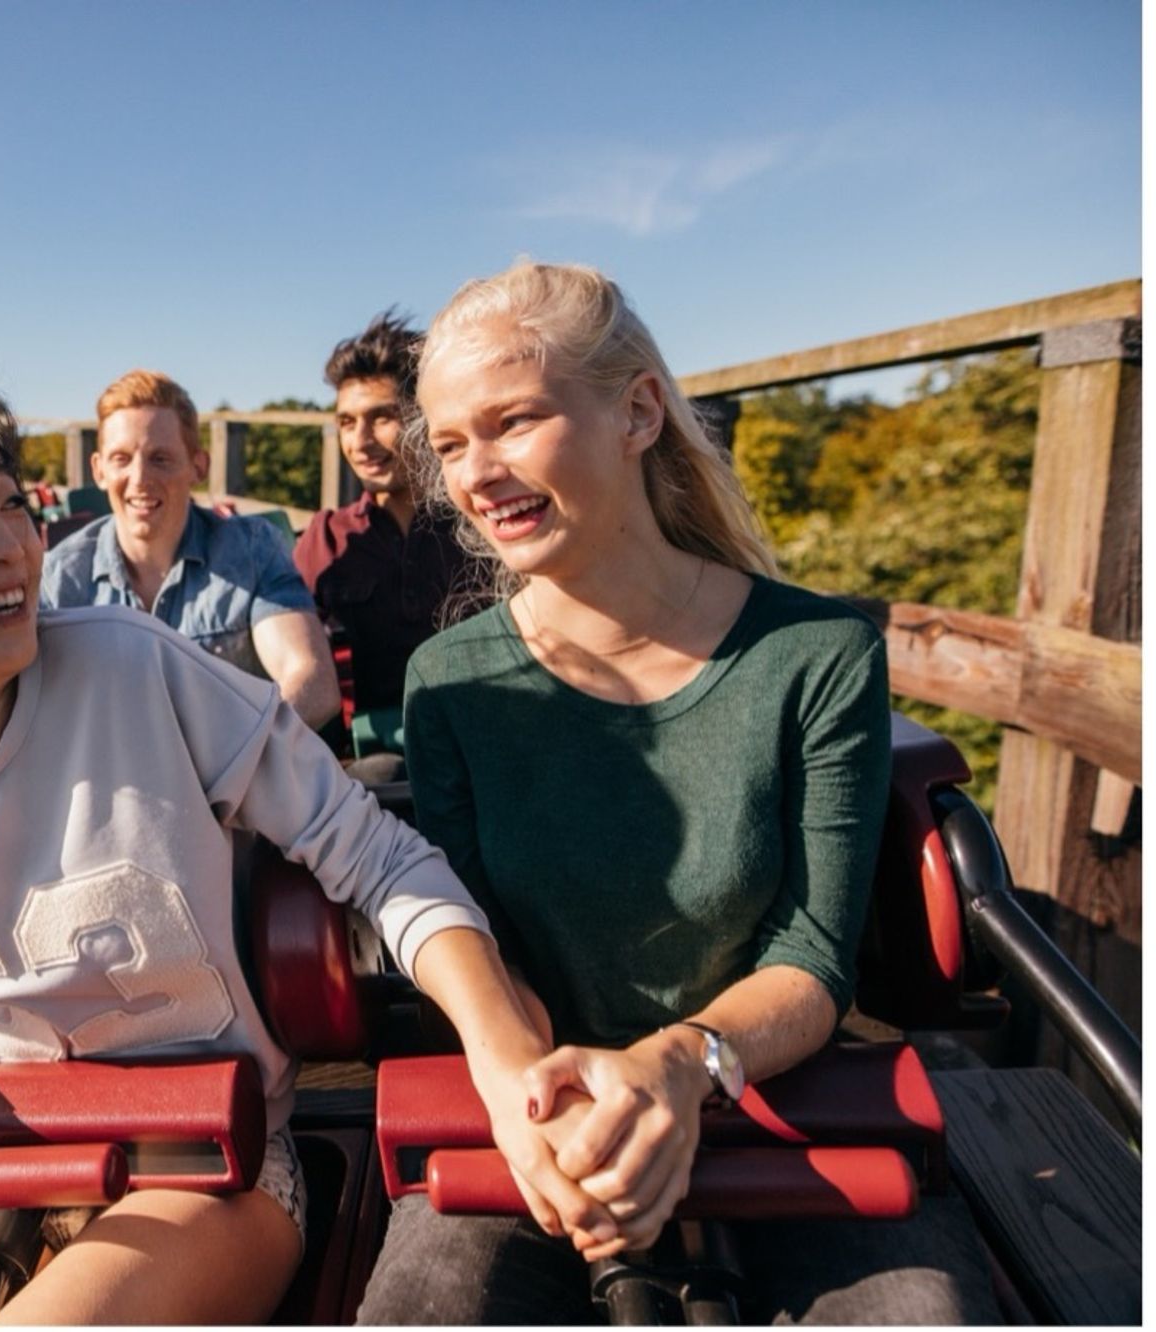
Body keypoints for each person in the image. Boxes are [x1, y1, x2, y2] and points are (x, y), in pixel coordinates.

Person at [0, 339, 606, 1325]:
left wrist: (499, 1047)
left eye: (7, 502)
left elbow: (379, 858)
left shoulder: (132, 670)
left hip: (207, 1158)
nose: (10, 545)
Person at [355, 261, 999, 1325]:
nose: (477, 475)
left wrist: (677, 1065)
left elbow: (809, 956)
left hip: (767, 1080)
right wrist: (543, 1100)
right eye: (452, 442)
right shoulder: (451, 679)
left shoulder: (814, 652)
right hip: (537, 1098)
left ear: (638, 412)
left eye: (512, 422)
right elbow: (478, 939)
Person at [39, 369, 341, 730]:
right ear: (99, 469)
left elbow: (312, 681)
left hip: (237, 778)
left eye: (160, 458)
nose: (139, 479)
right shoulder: (60, 577)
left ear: (198, 465)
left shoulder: (249, 551)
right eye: (121, 459)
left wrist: (224, 761)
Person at [293, 310, 472, 771]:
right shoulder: (326, 538)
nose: (361, 441)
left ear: (422, 418)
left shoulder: (479, 523)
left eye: (381, 417)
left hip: (483, 743)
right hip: (374, 766)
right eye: (347, 422)